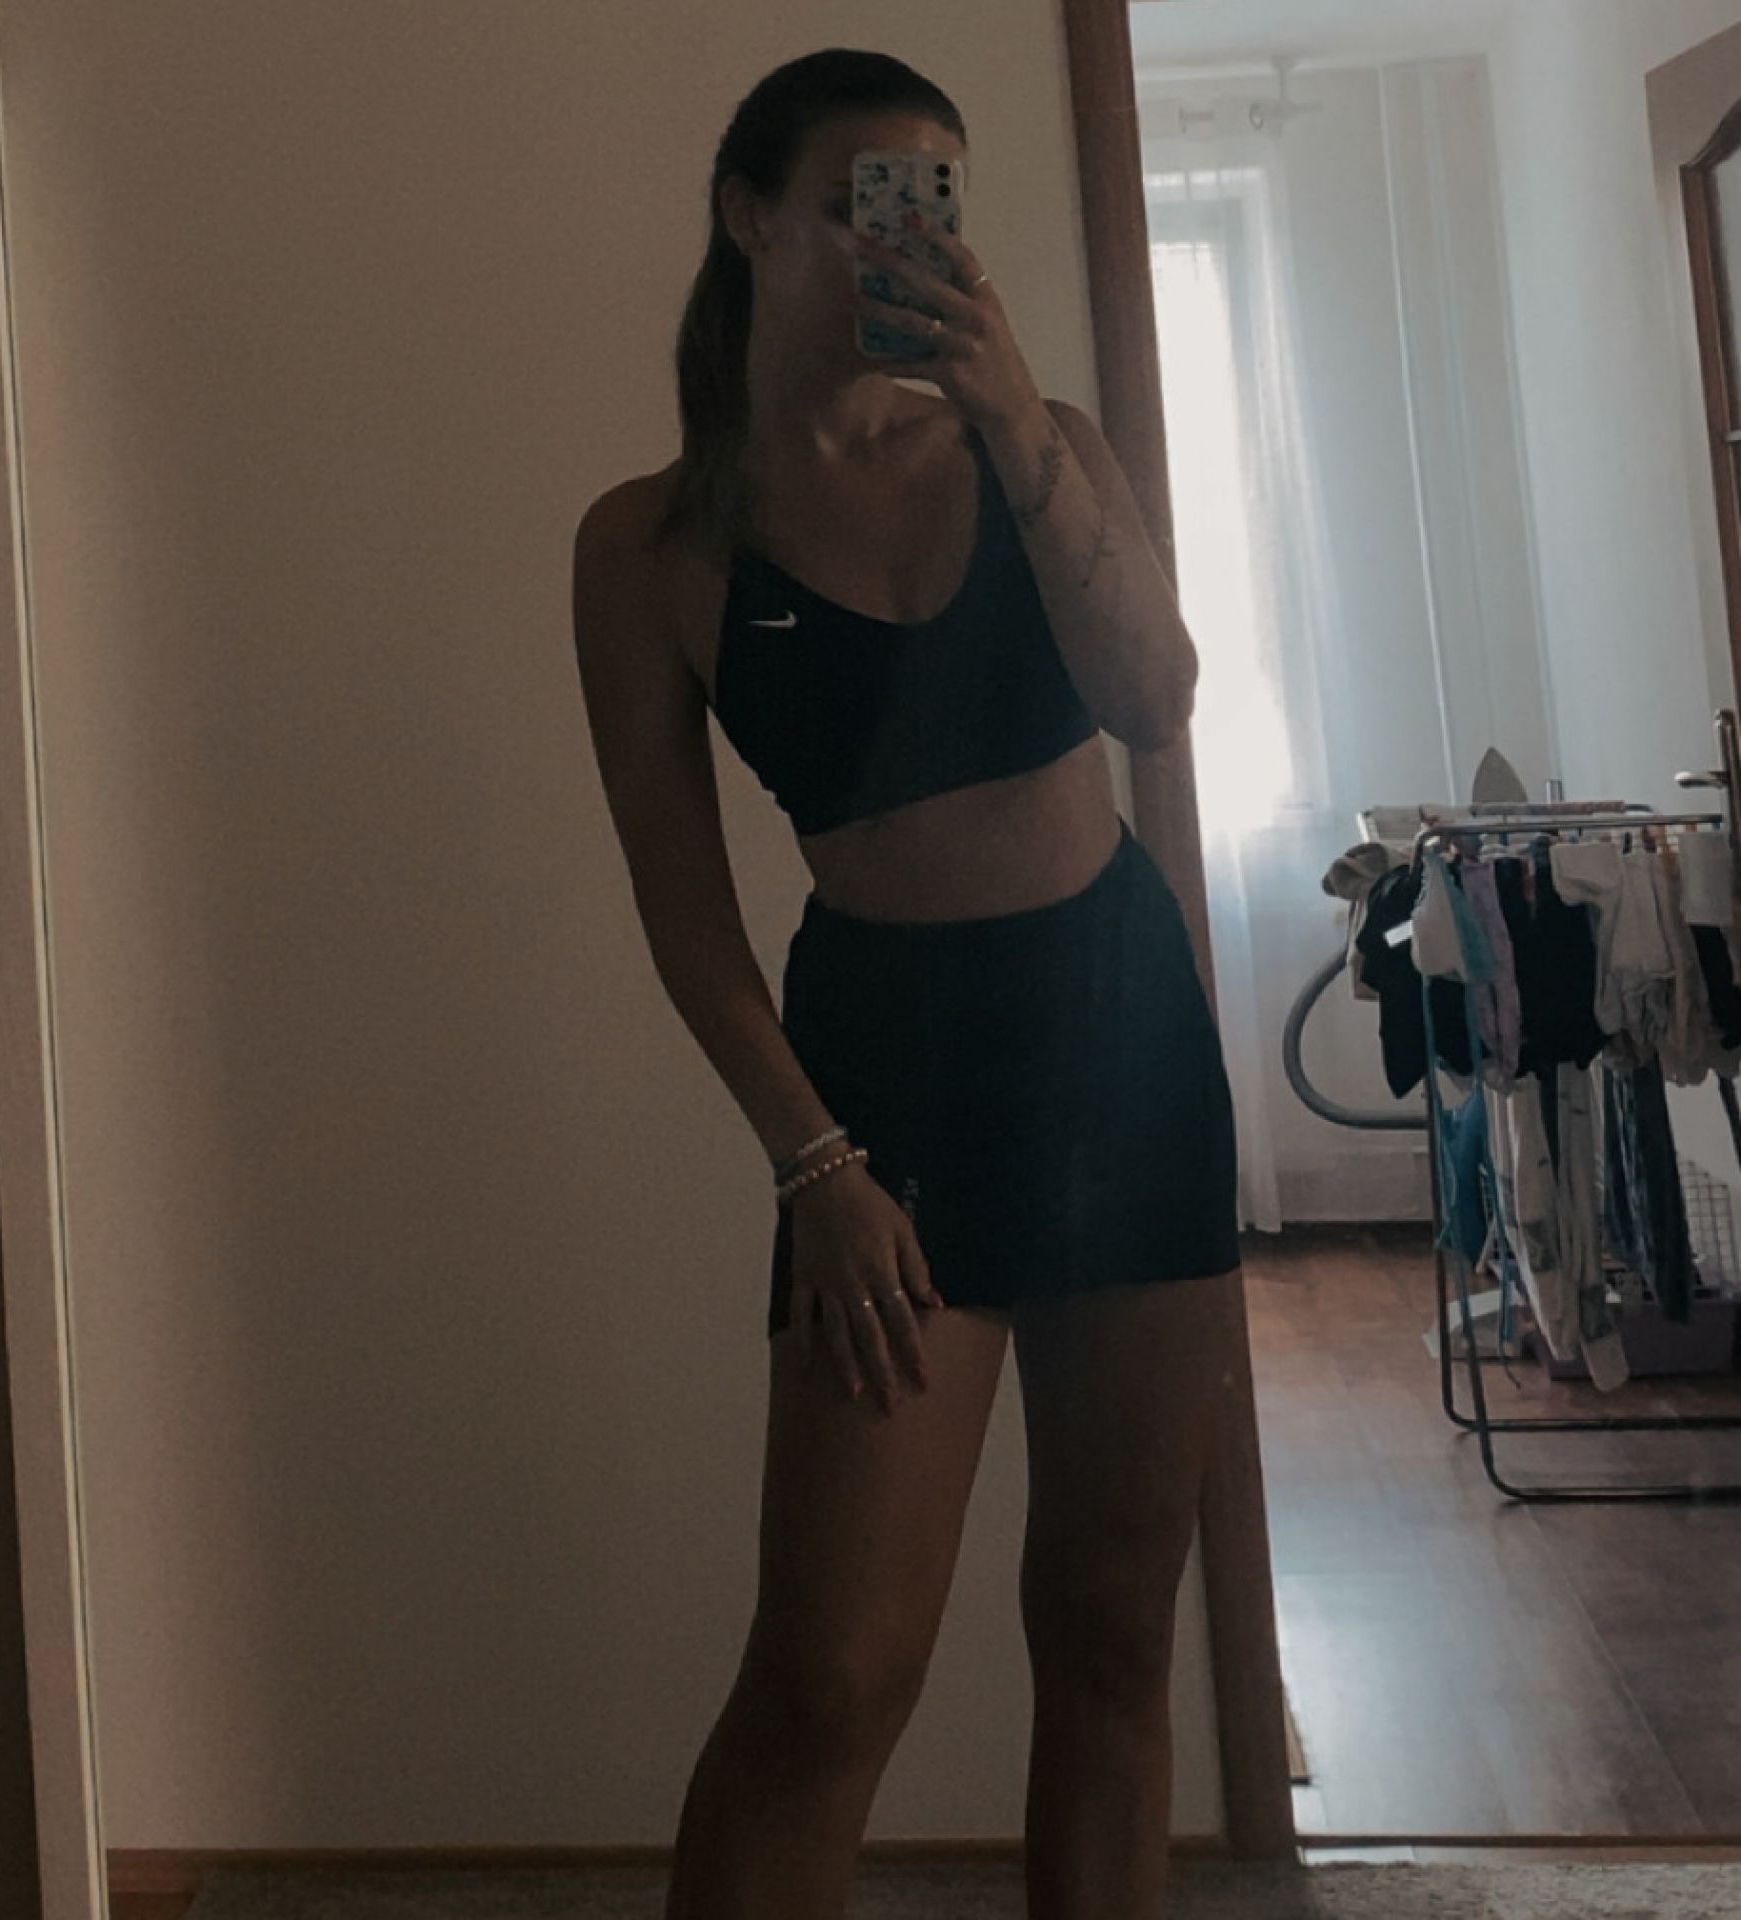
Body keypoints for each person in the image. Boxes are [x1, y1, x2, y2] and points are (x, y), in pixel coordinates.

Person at [569, 46, 1243, 1920]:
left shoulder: (1042, 447)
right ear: (751, 215)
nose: (909, 236)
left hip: (1120, 1035)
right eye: (870, 197)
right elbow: (686, 912)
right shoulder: (650, 545)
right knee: (829, 1681)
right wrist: (815, 1162)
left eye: (938, 200)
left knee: (1110, 1627)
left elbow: (1157, 702)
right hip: (885, 1076)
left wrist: (1019, 422)